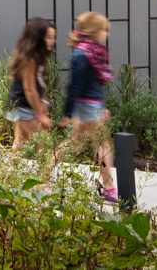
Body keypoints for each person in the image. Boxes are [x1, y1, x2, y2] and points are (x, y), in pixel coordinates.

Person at [57, 12, 117, 202]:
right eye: (103, 30)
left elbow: (94, 85)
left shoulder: (93, 52)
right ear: (94, 31)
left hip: (93, 106)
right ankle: (109, 188)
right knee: (102, 146)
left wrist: (102, 106)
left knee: (75, 144)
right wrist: (67, 113)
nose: (106, 34)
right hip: (87, 108)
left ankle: (43, 175)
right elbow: (75, 86)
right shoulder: (83, 54)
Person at [5, 17, 56, 148]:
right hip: (23, 107)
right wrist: (40, 115)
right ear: (38, 39)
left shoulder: (39, 58)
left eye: (53, 37)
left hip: (26, 106)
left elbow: (40, 84)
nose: (52, 41)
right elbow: (30, 90)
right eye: (49, 37)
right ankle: (44, 169)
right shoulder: (30, 60)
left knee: (19, 143)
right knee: (44, 145)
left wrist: (43, 102)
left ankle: (7, 168)